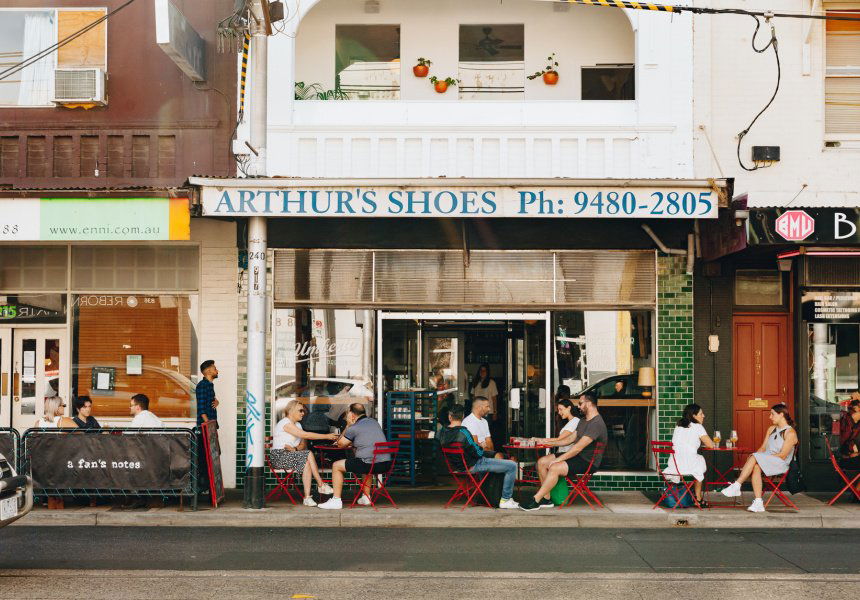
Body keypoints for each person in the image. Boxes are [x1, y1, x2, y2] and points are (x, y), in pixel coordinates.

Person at [520, 393, 608, 511]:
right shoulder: (583, 421)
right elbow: (569, 440)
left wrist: (558, 459)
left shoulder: (596, 423)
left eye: (581, 404)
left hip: (587, 461)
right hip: (578, 456)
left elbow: (577, 448)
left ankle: (536, 499)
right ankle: (546, 499)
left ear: (589, 403)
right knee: (542, 462)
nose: (579, 406)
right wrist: (546, 442)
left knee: (555, 467)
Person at [721, 403, 798, 513]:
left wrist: (759, 457)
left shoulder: (790, 432)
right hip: (767, 461)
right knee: (756, 465)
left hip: (781, 463)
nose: (770, 417)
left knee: (756, 458)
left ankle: (737, 485)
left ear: (781, 414)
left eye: (772, 414)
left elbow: (783, 455)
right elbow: (762, 448)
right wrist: (755, 456)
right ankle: (758, 502)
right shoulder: (771, 429)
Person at [439, 405, 519, 509]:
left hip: (454, 467)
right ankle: (506, 499)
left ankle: (487, 496)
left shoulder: (441, 433)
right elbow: (478, 453)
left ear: (450, 417)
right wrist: (481, 446)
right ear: (463, 417)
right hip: (472, 466)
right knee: (512, 465)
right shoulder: (464, 432)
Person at [318, 403, 391, 510]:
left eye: (348, 413)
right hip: (385, 464)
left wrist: (348, 425)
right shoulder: (374, 422)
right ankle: (366, 497)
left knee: (336, 465)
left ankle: (336, 500)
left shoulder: (354, 427)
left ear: (352, 414)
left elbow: (340, 444)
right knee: (368, 462)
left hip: (369, 464)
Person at [271, 400, 336, 506]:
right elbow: (305, 435)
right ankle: (321, 484)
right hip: (279, 457)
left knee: (306, 463)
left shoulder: (298, 425)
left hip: (291, 455)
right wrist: (327, 436)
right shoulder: (285, 423)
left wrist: (295, 449)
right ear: (291, 411)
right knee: (308, 453)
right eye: (300, 410)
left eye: (303, 411)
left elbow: (303, 445)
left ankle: (307, 497)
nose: (303, 413)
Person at [665, 403, 715, 507]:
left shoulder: (678, 426)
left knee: (698, 460)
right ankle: (698, 498)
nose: (703, 416)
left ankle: (692, 496)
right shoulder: (697, 426)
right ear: (694, 416)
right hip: (688, 464)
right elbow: (710, 445)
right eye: (701, 414)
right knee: (700, 460)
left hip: (674, 464)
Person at [533, 398, 581, 491]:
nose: (559, 412)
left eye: (561, 409)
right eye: (558, 410)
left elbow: (560, 440)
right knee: (540, 464)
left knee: (541, 463)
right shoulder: (571, 422)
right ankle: (547, 494)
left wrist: (540, 440)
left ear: (569, 408)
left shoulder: (574, 421)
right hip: (564, 453)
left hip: (567, 455)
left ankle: (546, 494)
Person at [196, 360, 220, 428]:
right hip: (206, 428)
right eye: (215, 369)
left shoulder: (209, 385)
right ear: (209, 371)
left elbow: (211, 401)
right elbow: (201, 409)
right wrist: (209, 426)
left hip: (211, 425)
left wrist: (217, 402)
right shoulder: (202, 385)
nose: (217, 371)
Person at [839, 397, 860, 470]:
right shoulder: (852, 416)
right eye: (859, 409)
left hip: (849, 456)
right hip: (848, 459)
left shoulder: (848, 418)